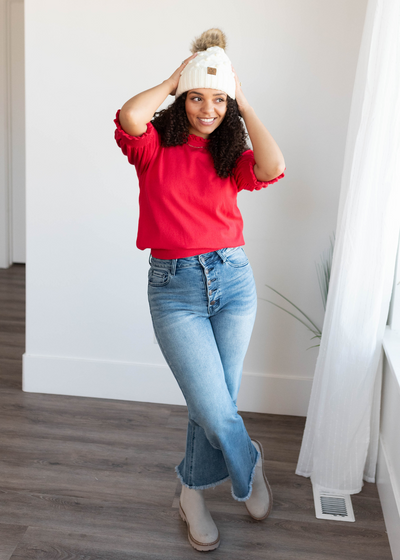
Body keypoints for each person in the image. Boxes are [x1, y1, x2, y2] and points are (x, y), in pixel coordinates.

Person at [114, 28, 285, 552]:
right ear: (183, 98)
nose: (206, 109)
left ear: (228, 104)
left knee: (210, 403)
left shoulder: (229, 156)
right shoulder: (153, 148)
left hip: (232, 281)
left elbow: (273, 166)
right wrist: (174, 77)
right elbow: (129, 116)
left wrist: (243, 98)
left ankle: (190, 494)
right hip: (175, 289)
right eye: (196, 97)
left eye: (217, 99)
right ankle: (248, 463)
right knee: (215, 408)